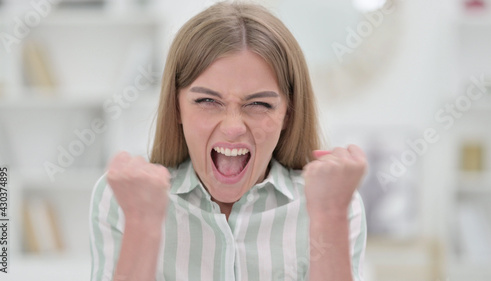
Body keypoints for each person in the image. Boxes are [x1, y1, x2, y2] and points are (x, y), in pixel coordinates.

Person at [89, 2, 367, 281]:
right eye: (208, 101)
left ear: (288, 114)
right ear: (176, 108)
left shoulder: (335, 203)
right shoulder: (121, 200)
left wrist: (330, 215)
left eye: (259, 103)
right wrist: (142, 223)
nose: (233, 128)